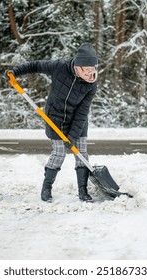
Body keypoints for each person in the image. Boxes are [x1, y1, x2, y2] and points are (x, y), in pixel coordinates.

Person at [8, 43, 98, 203]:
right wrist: (15, 72)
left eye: (94, 69)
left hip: (78, 120)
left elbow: (82, 112)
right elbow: (35, 65)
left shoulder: (92, 84)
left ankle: (83, 191)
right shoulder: (59, 67)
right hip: (55, 118)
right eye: (88, 70)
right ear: (78, 66)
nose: (91, 73)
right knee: (59, 153)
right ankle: (46, 188)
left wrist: (72, 136)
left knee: (81, 153)